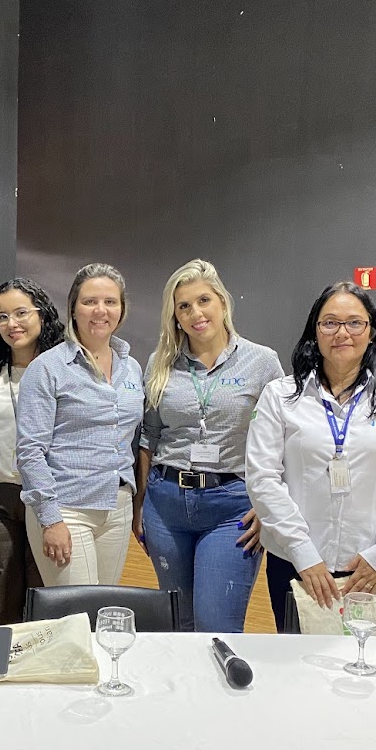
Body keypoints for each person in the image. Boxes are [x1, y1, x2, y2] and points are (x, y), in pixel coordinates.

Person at [246, 281, 376, 632]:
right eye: (329, 322)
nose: (342, 333)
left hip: (372, 569)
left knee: (369, 667)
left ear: (371, 332)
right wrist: (303, 553)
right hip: (296, 564)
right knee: (299, 667)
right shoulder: (280, 396)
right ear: (314, 332)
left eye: (354, 323)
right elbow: (263, 478)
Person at [135, 260, 284, 632]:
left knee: (217, 623)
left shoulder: (261, 362)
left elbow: (285, 439)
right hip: (165, 504)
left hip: (231, 506)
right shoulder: (160, 364)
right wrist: (139, 506)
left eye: (203, 300)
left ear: (222, 302)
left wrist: (271, 506)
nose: (195, 313)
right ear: (175, 316)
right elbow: (148, 438)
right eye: (183, 306)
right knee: (177, 623)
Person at [17, 263, 144, 586]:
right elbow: (30, 451)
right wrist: (50, 519)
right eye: (89, 301)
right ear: (73, 308)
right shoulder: (48, 368)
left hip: (117, 508)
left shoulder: (132, 368)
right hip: (66, 508)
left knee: (102, 611)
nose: (100, 310)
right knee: (76, 616)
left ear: (122, 309)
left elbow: (133, 438)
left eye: (110, 302)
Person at [0, 278, 64, 625]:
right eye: (2, 316)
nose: (12, 324)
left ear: (42, 315)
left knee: (45, 601)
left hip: (50, 499)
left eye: (21, 313)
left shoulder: (65, 369)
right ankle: (0, 671)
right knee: (0, 602)